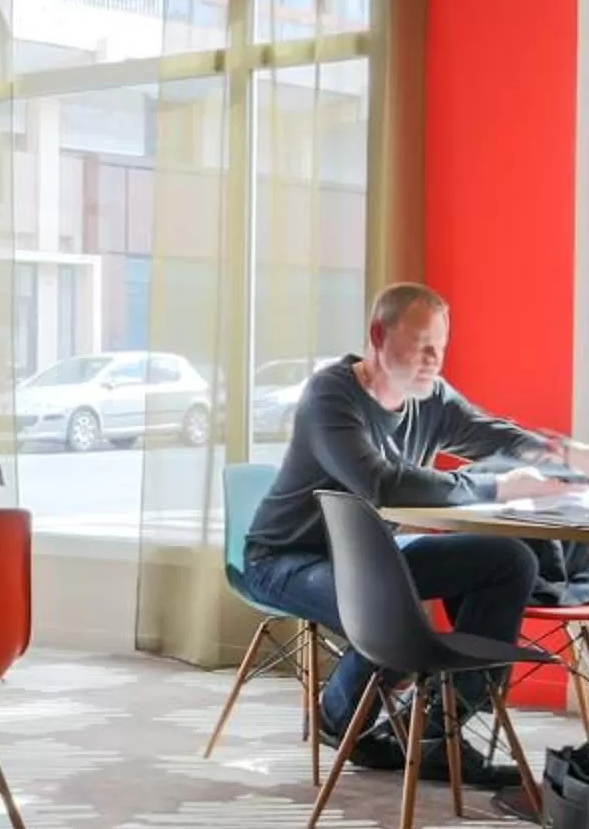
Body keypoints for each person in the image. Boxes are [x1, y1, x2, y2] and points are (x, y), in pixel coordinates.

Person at [240, 281, 560, 786]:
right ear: (378, 335)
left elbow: (496, 434)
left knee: (510, 561)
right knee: (390, 614)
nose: (434, 359)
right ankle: (336, 717)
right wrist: (498, 487)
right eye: (421, 345)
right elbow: (382, 483)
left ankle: (435, 733)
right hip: (284, 559)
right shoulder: (331, 396)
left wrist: (569, 459)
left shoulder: (429, 398)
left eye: (441, 346)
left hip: (372, 559)